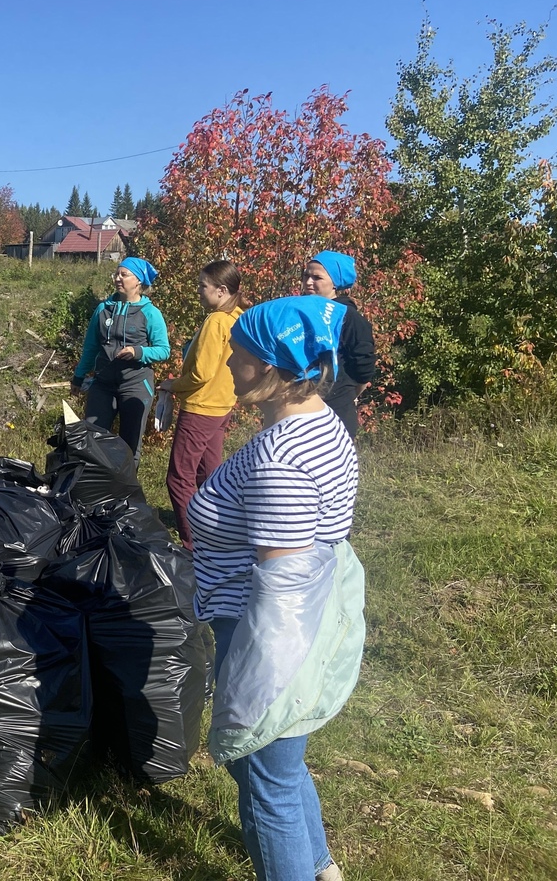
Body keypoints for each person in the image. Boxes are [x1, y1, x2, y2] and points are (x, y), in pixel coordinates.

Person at [186, 295, 363, 881]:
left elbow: (281, 586)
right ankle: (320, 867)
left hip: (268, 631)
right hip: (305, 616)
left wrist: (255, 677)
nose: (227, 366)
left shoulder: (280, 458)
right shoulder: (322, 425)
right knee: (281, 766)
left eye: (235, 356)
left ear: (267, 366)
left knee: (267, 778)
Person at [159, 260, 250, 548]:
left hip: (201, 407)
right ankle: (222, 531)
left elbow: (201, 373)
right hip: (222, 407)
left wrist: (172, 385)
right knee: (210, 476)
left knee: (179, 478)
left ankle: (194, 543)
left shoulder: (216, 321)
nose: (199, 291)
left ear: (221, 290)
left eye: (203, 286)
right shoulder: (239, 317)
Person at [70, 256, 170, 460]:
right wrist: (79, 377)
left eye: (124, 274)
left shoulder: (150, 313)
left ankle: (125, 490)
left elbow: (163, 350)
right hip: (103, 384)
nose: (118, 278)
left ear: (138, 281)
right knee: (93, 438)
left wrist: (138, 352)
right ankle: (94, 487)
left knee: (129, 444)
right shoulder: (103, 310)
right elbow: (90, 347)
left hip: (136, 384)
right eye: (116, 274)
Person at [300, 251, 377, 438]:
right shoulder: (299, 311)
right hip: (298, 408)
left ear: (335, 283)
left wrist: (347, 395)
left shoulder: (348, 317)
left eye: (317, 277)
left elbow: (364, 369)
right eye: (306, 275)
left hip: (335, 412)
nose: (309, 281)